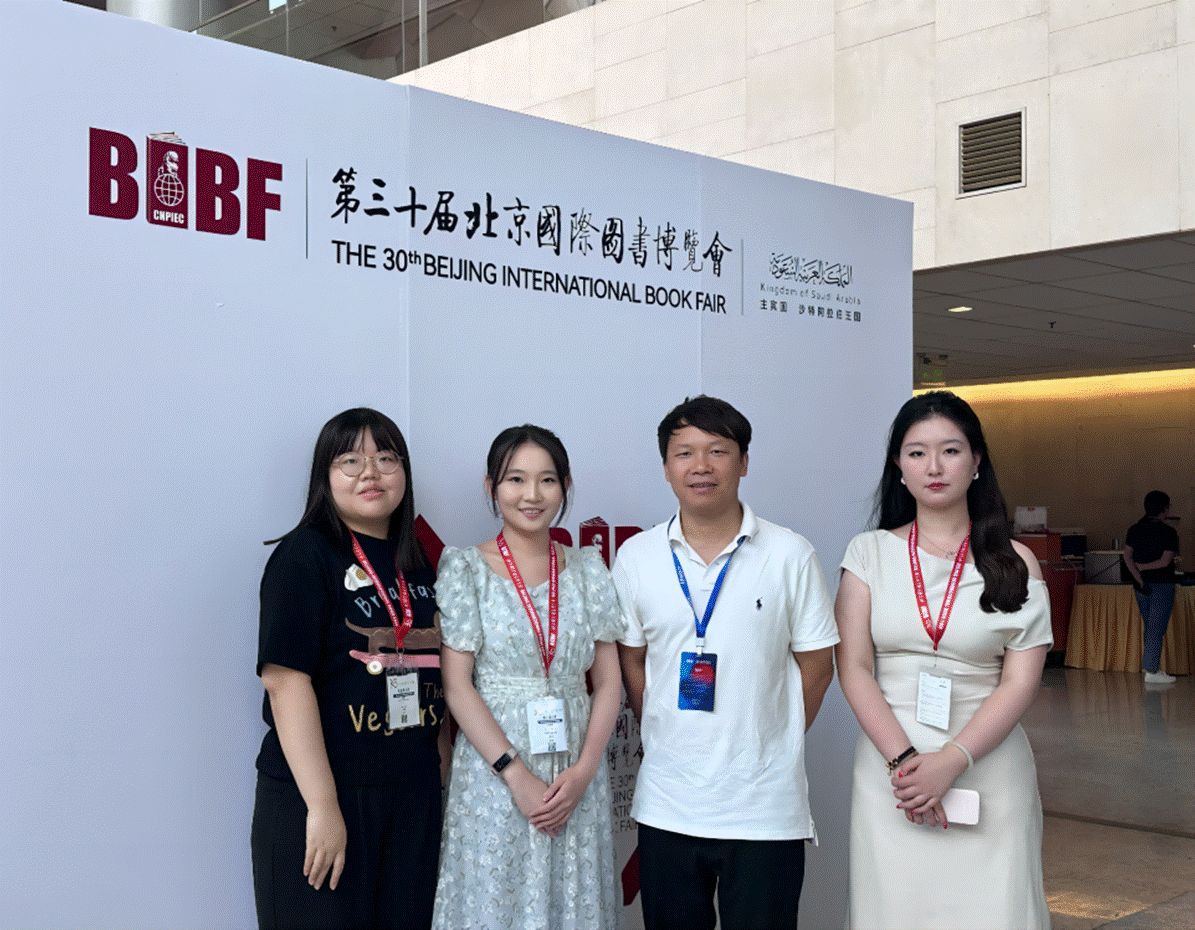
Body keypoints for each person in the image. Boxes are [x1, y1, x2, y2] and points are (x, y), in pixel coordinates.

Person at [614, 396, 838, 930]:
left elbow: (818, 667)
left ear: (744, 462)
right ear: (666, 467)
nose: (701, 466)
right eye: (684, 453)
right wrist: (669, 726)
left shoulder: (790, 554)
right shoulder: (637, 557)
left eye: (718, 451)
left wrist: (768, 732)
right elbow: (633, 663)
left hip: (764, 809)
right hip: (668, 804)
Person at [835, 391, 1052, 930]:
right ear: (898, 466)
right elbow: (854, 668)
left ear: (977, 462)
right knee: (895, 911)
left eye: (950, 450)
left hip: (987, 765)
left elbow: (1020, 682)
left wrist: (953, 760)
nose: (933, 467)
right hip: (892, 774)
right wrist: (906, 764)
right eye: (917, 453)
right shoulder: (868, 554)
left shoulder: (1017, 562)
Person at [251, 408, 448, 930]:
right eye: (351, 461)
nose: (370, 473)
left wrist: (441, 777)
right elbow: (285, 682)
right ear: (325, 475)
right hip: (325, 793)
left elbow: (440, 677)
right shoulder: (304, 557)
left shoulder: (420, 565)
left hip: (412, 795)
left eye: (386, 458)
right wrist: (323, 806)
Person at [432, 425, 622, 930]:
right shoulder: (467, 570)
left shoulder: (588, 570)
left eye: (547, 480)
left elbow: (609, 683)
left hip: (574, 776)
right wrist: (515, 775)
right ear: (491, 487)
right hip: (495, 775)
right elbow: (458, 687)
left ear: (565, 486)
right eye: (515, 479)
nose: (532, 495)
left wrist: (583, 772)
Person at [1123, 490, 1180, 685]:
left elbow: (1127, 557)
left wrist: (1138, 576)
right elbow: (1165, 561)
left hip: (1141, 587)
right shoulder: (1169, 532)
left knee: (1150, 627)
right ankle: (1152, 670)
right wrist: (1143, 567)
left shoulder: (1134, 529)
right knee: (1156, 629)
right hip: (1162, 585)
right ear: (1165, 509)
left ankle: (1152, 668)